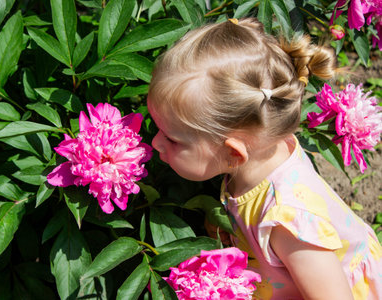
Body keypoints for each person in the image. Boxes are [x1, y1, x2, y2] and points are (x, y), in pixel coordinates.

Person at [147, 17, 382, 299]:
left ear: (234, 153)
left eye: (172, 138)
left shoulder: (287, 220)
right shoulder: (261, 150)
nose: (155, 142)